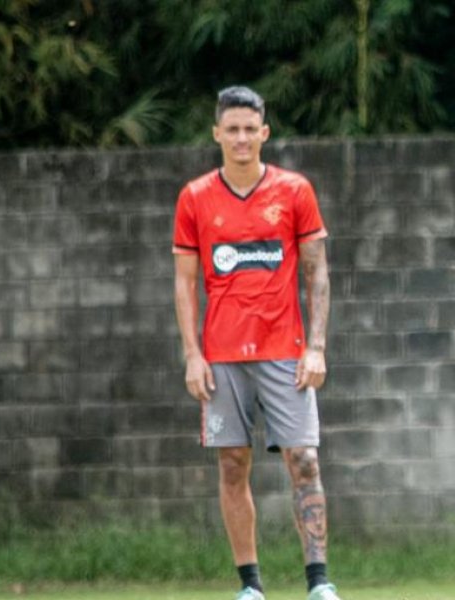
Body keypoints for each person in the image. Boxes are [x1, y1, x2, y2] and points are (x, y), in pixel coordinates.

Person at [172, 86, 342, 600]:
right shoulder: (195, 197)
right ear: (217, 133)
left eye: (251, 129)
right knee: (231, 464)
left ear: (264, 133)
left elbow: (317, 273)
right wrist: (192, 354)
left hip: (286, 351)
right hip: (221, 356)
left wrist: (316, 347)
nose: (242, 138)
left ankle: (319, 582)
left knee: (304, 460)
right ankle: (250, 585)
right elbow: (184, 281)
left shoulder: (294, 191)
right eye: (233, 129)